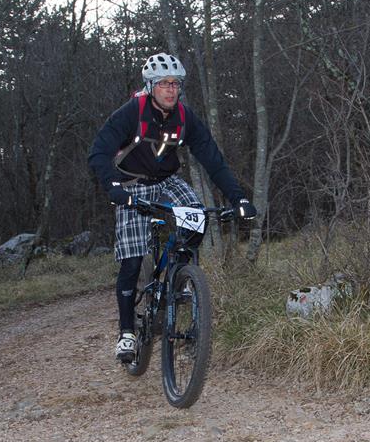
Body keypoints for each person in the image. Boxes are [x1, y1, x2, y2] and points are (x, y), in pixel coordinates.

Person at [88, 52, 257, 362]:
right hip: (131, 184)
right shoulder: (131, 113)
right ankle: (126, 333)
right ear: (150, 86)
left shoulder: (184, 118)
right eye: (164, 83)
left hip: (166, 181)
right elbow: (98, 152)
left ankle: (179, 274)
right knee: (132, 259)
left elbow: (213, 160)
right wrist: (113, 186)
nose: (171, 90)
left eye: (176, 84)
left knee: (197, 218)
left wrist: (239, 198)